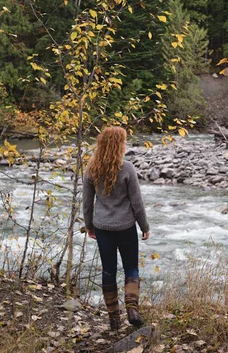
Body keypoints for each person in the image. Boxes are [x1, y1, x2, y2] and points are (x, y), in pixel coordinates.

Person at [83, 126, 150, 331]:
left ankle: (113, 319)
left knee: (108, 271)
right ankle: (132, 310)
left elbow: (87, 203)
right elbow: (136, 202)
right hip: (126, 227)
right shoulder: (127, 168)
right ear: (119, 145)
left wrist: (89, 226)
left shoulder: (91, 169)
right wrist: (144, 226)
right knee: (131, 268)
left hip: (103, 228)